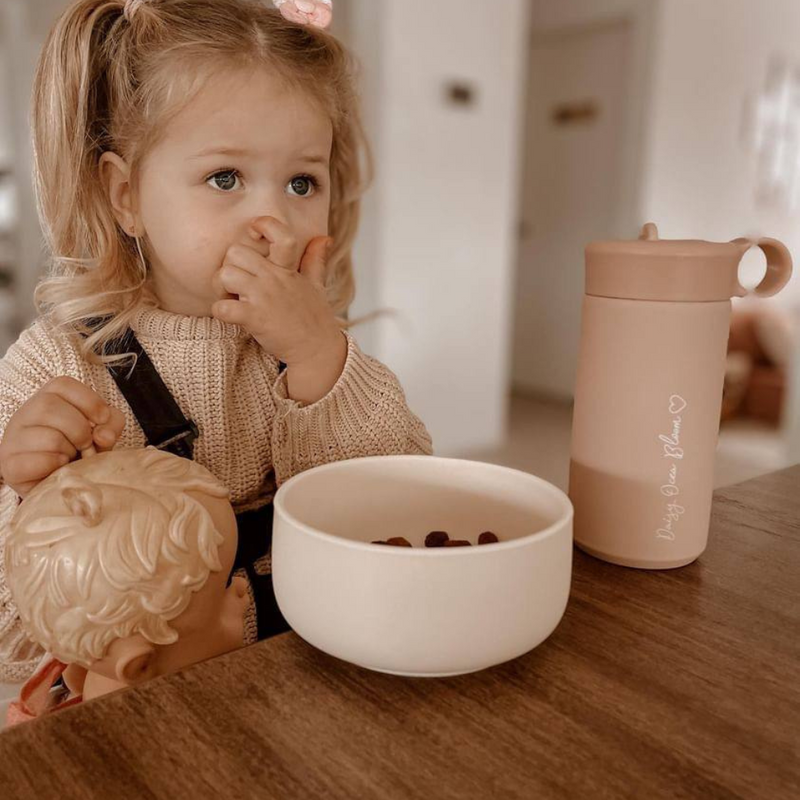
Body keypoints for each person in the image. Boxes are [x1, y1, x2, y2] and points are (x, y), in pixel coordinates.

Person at [0, 0, 433, 684]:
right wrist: (29, 500)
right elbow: (14, 637)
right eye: (225, 178)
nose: (273, 218)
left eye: (302, 182)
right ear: (126, 197)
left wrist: (321, 359)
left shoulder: (309, 348)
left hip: (298, 682)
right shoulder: (57, 367)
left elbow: (398, 513)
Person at [5, 447, 250, 725]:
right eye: (224, 587)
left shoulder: (87, 672)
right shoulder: (156, 727)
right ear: (140, 665)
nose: (241, 587)